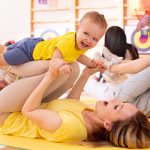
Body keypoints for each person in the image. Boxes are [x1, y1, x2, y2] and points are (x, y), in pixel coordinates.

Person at [0, 58, 149, 149]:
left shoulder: (71, 128)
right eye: (121, 102)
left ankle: (7, 65)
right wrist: (86, 74)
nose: (115, 100)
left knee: (55, 69)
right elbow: (70, 104)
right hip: (24, 105)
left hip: (6, 115)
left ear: (108, 125)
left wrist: (49, 76)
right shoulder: (94, 116)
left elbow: (29, 111)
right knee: (73, 69)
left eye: (117, 106)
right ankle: (11, 68)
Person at [0, 11, 107, 75]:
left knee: (5, 49)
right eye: (86, 33)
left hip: (38, 44)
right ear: (77, 29)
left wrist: (92, 64)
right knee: (3, 60)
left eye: (95, 39)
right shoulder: (68, 42)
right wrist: (61, 66)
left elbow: (79, 56)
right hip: (29, 50)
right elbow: (55, 59)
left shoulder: (82, 44)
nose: (89, 40)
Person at [84, 26, 139, 99]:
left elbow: (110, 76)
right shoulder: (132, 49)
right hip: (133, 87)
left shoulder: (107, 53)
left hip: (116, 91)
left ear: (107, 40)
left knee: (87, 82)